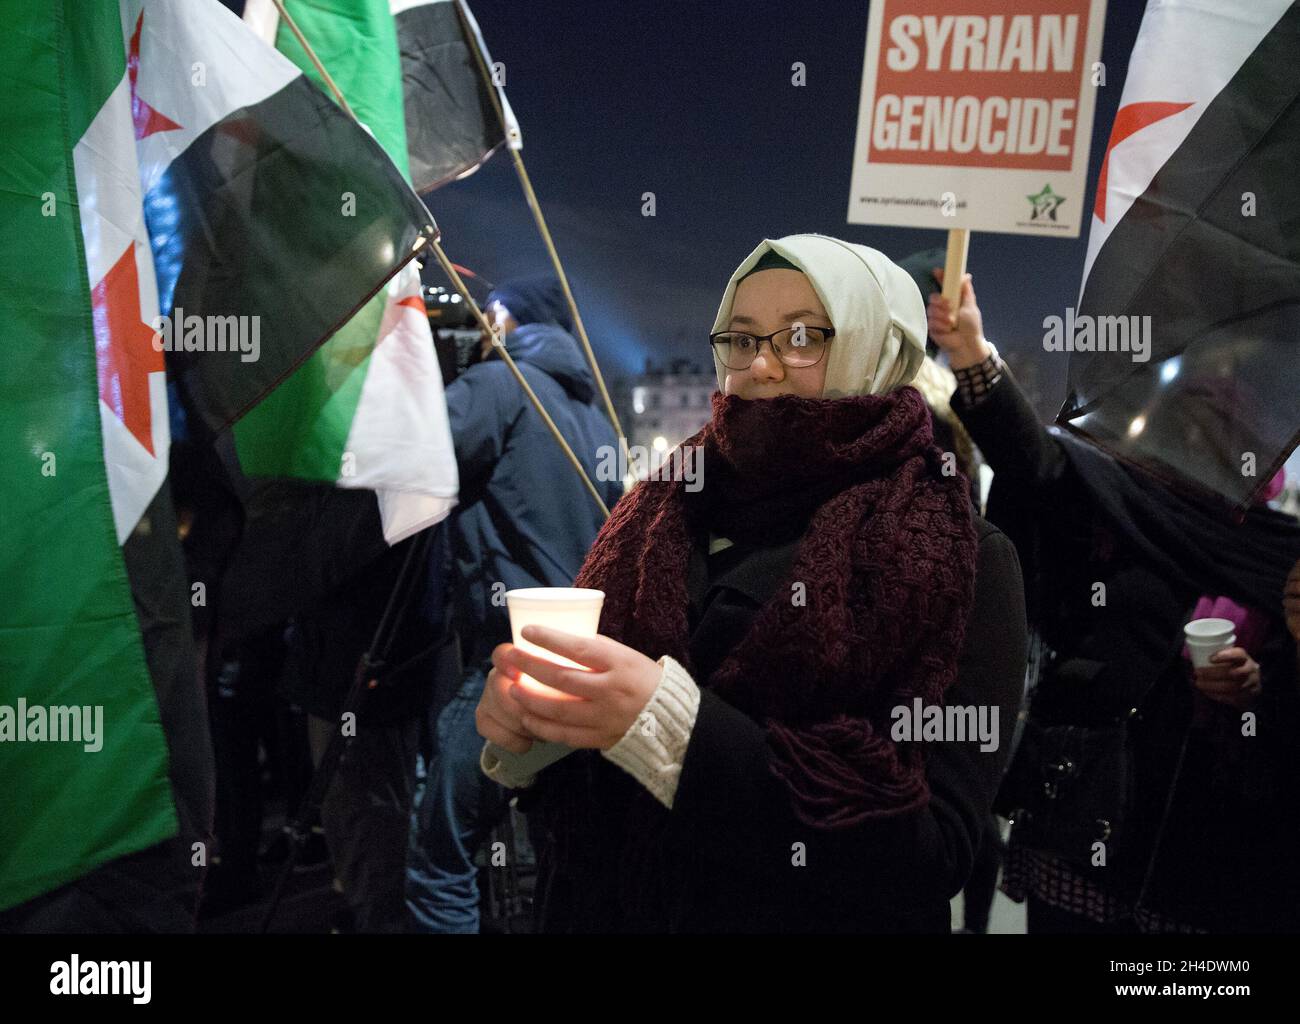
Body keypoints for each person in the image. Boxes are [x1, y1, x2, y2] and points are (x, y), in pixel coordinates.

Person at [476, 234, 1027, 933]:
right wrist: (542, 741)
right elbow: (592, 779)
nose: (760, 366)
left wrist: (674, 729)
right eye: (740, 339)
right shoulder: (661, 507)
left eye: (802, 337)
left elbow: (930, 851)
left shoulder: (961, 554)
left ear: (877, 347)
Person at [928, 271, 1300, 933]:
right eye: (1189, 427)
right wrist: (973, 356)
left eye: (1224, 436)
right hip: (1087, 834)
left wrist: (1257, 691)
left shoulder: (1275, 551)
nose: (1202, 449)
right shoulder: (1122, 501)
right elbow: (1038, 463)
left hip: (1210, 862)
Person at [406, 275, 621, 933]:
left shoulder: (501, 388)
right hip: (585, 663)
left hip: (511, 664)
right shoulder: (592, 410)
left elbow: (407, 448)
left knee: (437, 860)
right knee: (550, 860)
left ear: (501, 319)